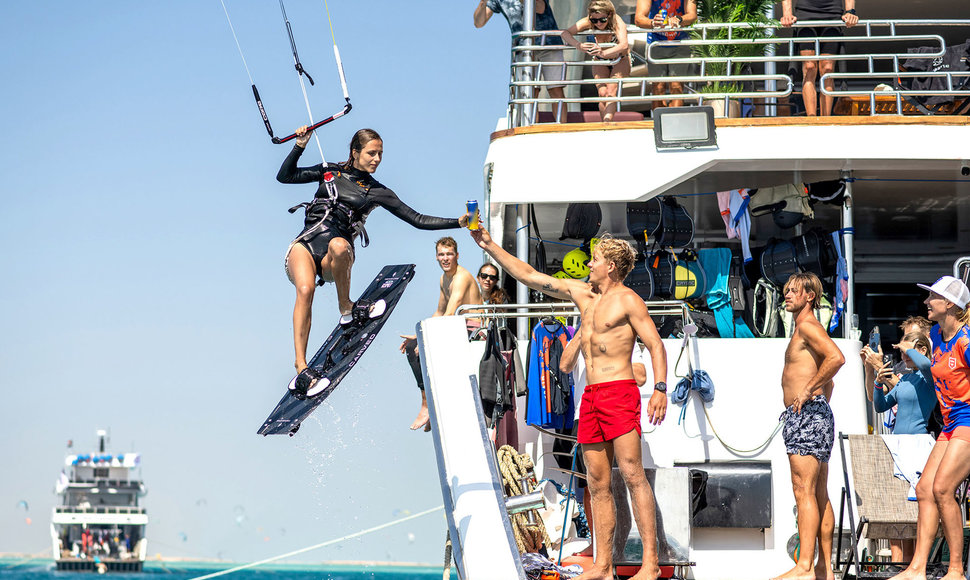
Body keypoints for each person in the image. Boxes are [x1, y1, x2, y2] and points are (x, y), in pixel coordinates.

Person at [470, 226, 668, 580]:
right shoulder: (582, 294)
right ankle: (604, 567)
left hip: (620, 392)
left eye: (595, 260)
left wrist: (660, 388)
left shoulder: (628, 300)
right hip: (590, 397)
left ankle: (650, 565)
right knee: (596, 482)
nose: (588, 265)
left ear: (611, 265)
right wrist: (489, 246)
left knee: (634, 475)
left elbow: (655, 344)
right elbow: (529, 276)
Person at [277, 127, 465, 394]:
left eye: (380, 154)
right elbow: (285, 177)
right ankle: (301, 367)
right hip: (306, 244)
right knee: (305, 290)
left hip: (335, 257)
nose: (377, 159)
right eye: (371, 153)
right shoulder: (330, 171)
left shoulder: (378, 191)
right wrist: (299, 145)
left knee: (340, 245)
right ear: (355, 152)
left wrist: (458, 222)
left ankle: (346, 307)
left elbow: (418, 219)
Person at [889, 276, 970, 580]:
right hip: (950, 424)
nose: (926, 302)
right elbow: (926, 365)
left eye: (932, 297)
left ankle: (956, 570)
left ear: (949, 304)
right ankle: (917, 569)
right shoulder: (936, 334)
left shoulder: (965, 341)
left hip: (968, 421)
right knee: (924, 489)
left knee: (943, 488)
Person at [772, 272, 845, 580]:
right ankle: (823, 569)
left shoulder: (807, 327)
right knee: (817, 492)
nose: (787, 295)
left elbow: (836, 358)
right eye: (787, 290)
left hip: (807, 415)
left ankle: (804, 567)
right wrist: (819, 390)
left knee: (804, 490)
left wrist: (807, 389)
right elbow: (826, 368)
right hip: (814, 414)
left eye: (794, 291)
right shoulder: (807, 328)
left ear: (810, 296)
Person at [561, 328, 648, 558]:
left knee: (626, 480)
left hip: (617, 410)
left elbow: (640, 375)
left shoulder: (622, 338)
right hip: (585, 413)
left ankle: (625, 546)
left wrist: (609, 368)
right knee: (592, 485)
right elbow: (564, 365)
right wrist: (583, 331)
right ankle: (598, 546)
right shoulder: (582, 337)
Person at [860, 331, 934, 563]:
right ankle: (902, 565)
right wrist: (878, 381)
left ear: (921, 349)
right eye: (902, 350)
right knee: (900, 511)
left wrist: (907, 345)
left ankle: (917, 563)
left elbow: (925, 363)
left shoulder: (928, 377)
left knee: (916, 511)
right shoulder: (906, 380)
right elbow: (881, 406)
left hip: (919, 446)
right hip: (898, 446)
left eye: (907, 350)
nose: (902, 353)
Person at [400, 237, 484, 431]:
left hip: (476, 332)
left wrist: (426, 341)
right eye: (441, 254)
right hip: (459, 327)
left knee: (418, 349)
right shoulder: (444, 278)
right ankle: (432, 403)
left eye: (449, 254)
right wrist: (419, 335)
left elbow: (448, 314)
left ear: (457, 256)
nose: (445, 258)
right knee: (413, 346)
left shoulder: (461, 277)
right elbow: (439, 312)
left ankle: (427, 404)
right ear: (436, 258)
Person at [474, 0, 568, 122]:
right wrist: (483, 3)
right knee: (529, 94)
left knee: (555, 90)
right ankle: (530, 129)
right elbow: (478, 23)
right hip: (523, 48)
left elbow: (540, 8)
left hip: (549, 44)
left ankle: (561, 127)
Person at [780, 0, 858, 116]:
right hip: (805, 12)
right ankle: (811, 118)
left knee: (827, 69)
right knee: (809, 67)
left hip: (832, 12)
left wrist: (850, 11)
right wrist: (787, 13)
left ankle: (825, 119)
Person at [562, 0, 631, 122]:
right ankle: (605, 122)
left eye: (602, 20)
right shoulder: (587, 21)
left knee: (611, 90)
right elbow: (565, 33)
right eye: (595, 20)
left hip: (620, 58)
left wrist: (604, 52)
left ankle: (607, 123)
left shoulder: (617, 20)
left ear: (609, 15)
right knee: (602, 93)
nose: (598, 23)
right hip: (600, 59)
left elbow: (624, 45)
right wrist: (579, 45)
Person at [634, 0, 698, 109]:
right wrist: (652, 22)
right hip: (656, 43)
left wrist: (680, 19)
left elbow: (692, 15)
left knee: (677, 86)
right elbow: (638, 19)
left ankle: (676, 122)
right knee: (658, 87)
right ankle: (659, 121)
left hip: (680, 42)